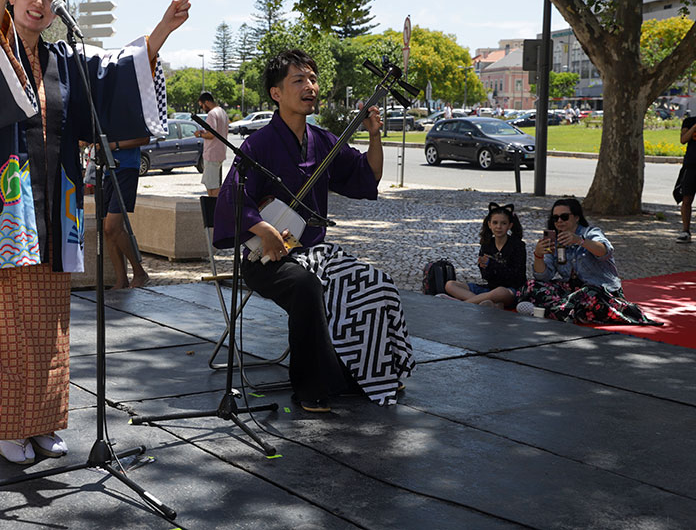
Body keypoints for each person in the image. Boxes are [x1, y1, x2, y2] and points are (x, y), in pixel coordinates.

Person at [0, 0, 189, 464]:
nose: (39, 3)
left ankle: (43, 423)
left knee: (50, 321)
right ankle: (8, 428)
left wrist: (163, 28)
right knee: (7, 325)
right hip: (6, 207)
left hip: (56, 206)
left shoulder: (65, 60)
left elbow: (116, 76)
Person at [213, 49, 414, 412]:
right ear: (276, 93)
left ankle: (370, 373)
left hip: (314, 254)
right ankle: (310, 388)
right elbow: (232, 202)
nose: (310, 87)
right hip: (268, 258)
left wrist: (373, 136)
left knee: (375, 282)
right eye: (299, 80)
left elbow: (367, 177)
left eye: (313, 79)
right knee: (308, 286)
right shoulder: (257, 145)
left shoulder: (323, 140)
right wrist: (265, 230)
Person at [517, 198, 658, 325]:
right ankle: (564, 311)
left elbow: (605, 251)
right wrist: (538, 255)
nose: (559, 221)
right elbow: (543, 277)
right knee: (531, 285)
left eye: (564, 217)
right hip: (570, 290)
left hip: (600, 290)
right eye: (555, 218)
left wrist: (580, 241)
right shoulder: (554, 241)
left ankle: (546, 310)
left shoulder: (591, 233)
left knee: (588, 296)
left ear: (577, 217)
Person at [443, 203, 525, 309]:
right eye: (495, 223)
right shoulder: (487, 244)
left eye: (503, 223)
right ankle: (485, 302)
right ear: (489, 224)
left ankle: (463, 304)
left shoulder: (517, 245)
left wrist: (492, 265)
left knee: (500, 292)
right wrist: (484, 266)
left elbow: (517, 276)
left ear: (510, 225)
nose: (498, 227)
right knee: (450, 285)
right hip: (489, 289)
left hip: (510, 291)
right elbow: (485, 276)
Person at [103, 135, 150, 289]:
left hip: (127, 167)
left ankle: (139, 272)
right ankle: (121, 279)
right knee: (107, 229)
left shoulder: (129, 111)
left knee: (112, 226)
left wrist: (115, 144)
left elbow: (144, 139)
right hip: (107, 169)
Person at [194, 91, 228, 196]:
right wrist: (205, 133)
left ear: (207, 102)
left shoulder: (212, 114)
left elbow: (211, 135)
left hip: (211, 154)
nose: (202, 108)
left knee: (211, 187)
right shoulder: (222, 112)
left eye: (202, 105)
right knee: (216, 183)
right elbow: (216, 132)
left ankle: (214, 209)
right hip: (220, 152)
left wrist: (199, 135)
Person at [674, 112, 695, 243]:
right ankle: (685, 231)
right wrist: (694, 128)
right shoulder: (689, 121)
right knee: (687, 198)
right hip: (691, 165)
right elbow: (683, 140)